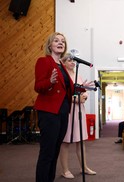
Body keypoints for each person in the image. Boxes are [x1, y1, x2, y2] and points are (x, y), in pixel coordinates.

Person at [34, 32, 88, 182]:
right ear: (49, 45)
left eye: (63, 41)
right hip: (49, 112)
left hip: (64, 112)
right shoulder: (43, 62)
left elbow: (70, 89)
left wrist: (84, 88)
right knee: (47, 152)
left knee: (55, 150)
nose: (60, 43)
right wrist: (50, 82)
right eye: (56, 41)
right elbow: (38, 86)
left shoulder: (62, 66)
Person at [59, 55, 96, 179]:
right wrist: (76, 99)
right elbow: (63, 94)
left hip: (79, 110)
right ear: (63, 63)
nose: (73, 62)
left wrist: (84, 96)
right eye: (69, 60)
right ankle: (65, 170)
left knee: (81, 141)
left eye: (73, 60)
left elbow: (83, 91)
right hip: (68, 110)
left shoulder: (77, 75)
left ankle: (84, 167)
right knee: (66, 141)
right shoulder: (63, 75)